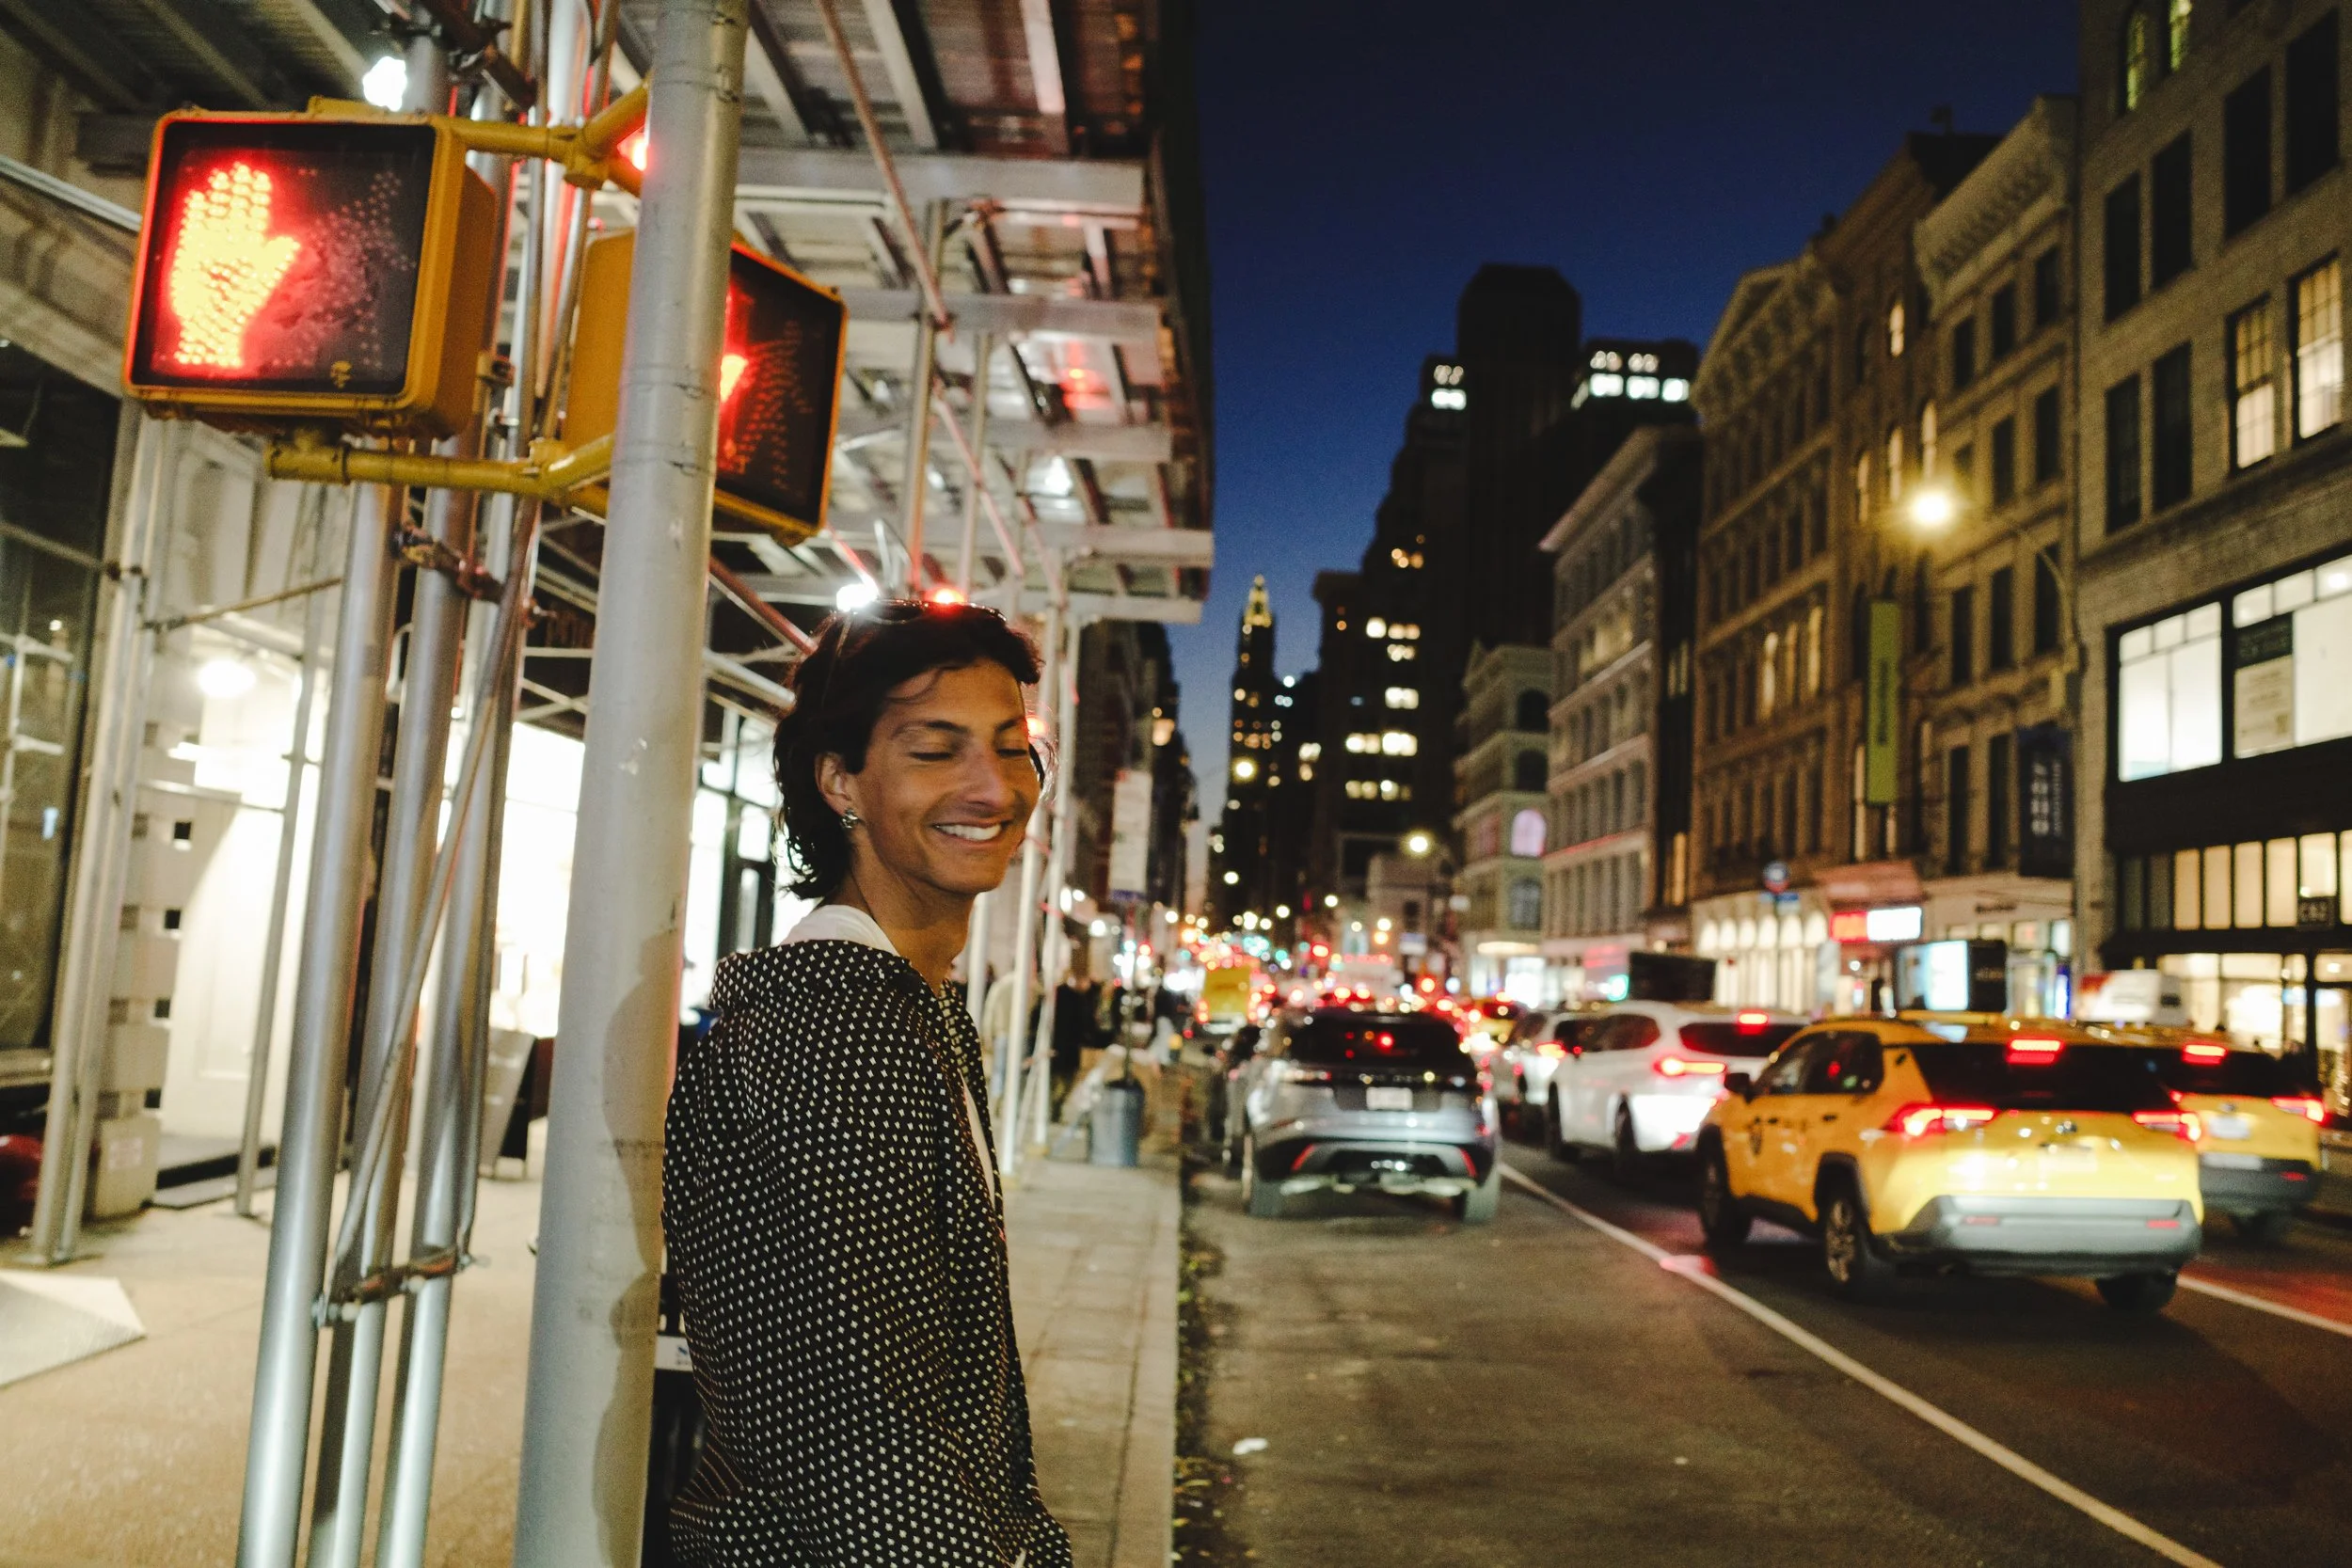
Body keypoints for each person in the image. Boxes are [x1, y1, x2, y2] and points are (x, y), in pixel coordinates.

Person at [662, 599, 1072, 1566]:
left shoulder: (908, 1008)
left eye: (1013, 748)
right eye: (936, 750)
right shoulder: (837, 1029)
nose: (993, 786)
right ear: (840, 781)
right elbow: (865, 1441)